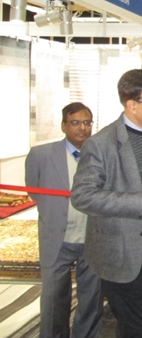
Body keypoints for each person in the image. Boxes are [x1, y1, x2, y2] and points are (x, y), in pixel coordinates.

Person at [71, 69, 142, 338]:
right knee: (134, 325)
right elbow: (82, 195)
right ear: (132, 105)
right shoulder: (101, 144)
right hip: (122, 248)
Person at [26, 102, 102, 338]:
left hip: (92, 236)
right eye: (75, 122)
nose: (82, 128)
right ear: (63, 125)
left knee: (91, 298)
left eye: (87, 122)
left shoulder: (101, 153)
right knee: (53, 297)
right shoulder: (41, 155)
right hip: (57, 237)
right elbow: (33, 190)